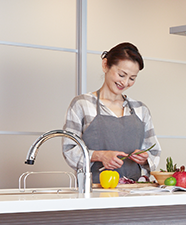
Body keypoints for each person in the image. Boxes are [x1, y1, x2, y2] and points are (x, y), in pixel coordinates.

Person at [62, 42, 161, 184]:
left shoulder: (140, 109)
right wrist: (99, 156)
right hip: (94, 189)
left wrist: (145, 159)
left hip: (135, 190)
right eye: (122, 75)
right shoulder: (82, 104)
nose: (125, 83)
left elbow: (154, 151)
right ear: (105, 65)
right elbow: (69, 149)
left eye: (132, 78)